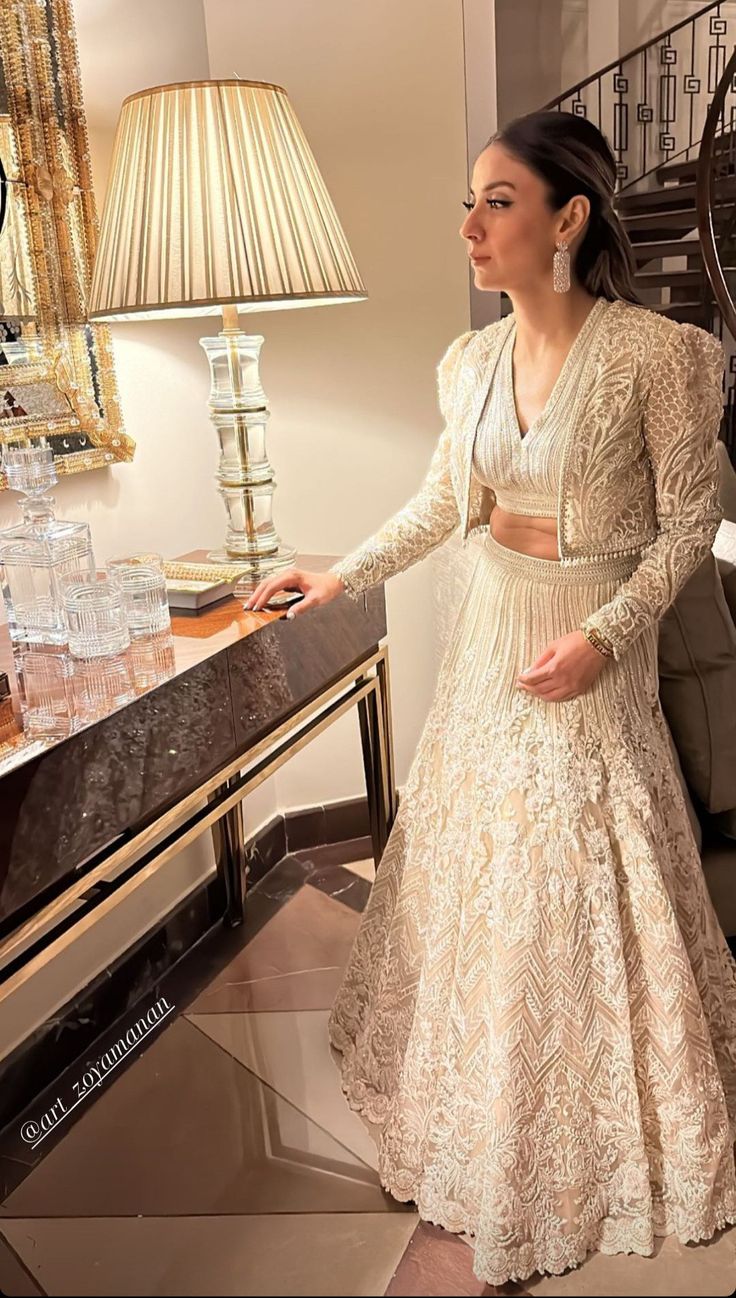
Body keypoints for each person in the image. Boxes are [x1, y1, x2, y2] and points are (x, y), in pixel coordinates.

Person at [243, 110, 736, 1287]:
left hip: (587, 640)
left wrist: (605, 641)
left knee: (568, 872)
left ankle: (581, 1127)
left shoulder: (656, 356)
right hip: (488, 632)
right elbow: (442, 507)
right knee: (476, 862)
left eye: (497, 201)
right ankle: (476, 1096)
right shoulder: (465, 365)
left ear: (567, 218)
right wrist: (338, 570)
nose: (470, 225)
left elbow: (683, 533)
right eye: (467, 200)